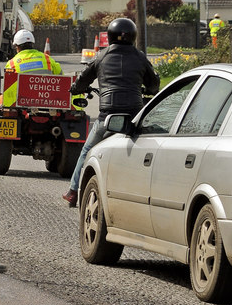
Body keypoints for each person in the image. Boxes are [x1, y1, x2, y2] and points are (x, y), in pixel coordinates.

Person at [62, 17, 159, 207]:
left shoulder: (102, 56)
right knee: (147, 151)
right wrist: (149, 91)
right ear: (133, 36)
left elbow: (83, 79)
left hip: (108, 116)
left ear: (110, 35)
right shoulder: (140, 57)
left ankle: (73, 192)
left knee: (87, 151)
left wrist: (75, 88)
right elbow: (154, 83)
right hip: (134, 115)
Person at [1, 29, 62, 106]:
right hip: (46, 101)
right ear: (32, 44)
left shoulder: (12, 63)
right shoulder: (47, 58)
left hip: (21, 103)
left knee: (0, 99)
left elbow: (8, 89)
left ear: (17, 46)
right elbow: (61, 78)